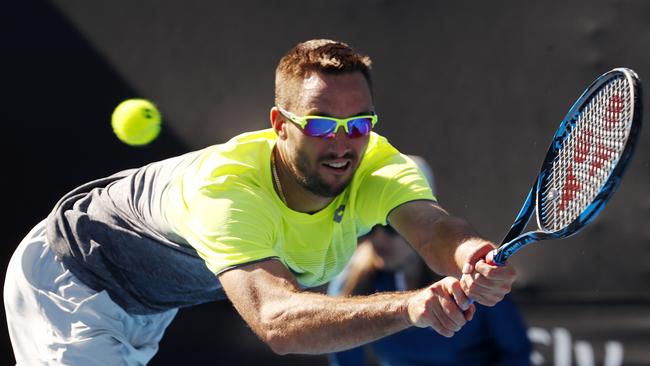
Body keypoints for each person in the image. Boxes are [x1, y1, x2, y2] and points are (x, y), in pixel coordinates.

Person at [4, 39, 516, 365]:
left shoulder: (374, 163)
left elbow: (430, 227)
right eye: (320, 124)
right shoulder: (228, 193)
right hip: (72, 281)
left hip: (150, 297)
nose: (342, 143)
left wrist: (467, 253)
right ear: (279, 126)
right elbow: (278, 322)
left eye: (358, 124)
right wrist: (409, 307)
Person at [327, 156, 532, 366]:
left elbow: (516, 352)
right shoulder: (350, 282)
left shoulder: (475, 279)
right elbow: (342, 355)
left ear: (420, 226)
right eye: (370, 225)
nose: (378, 239)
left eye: (391, 227)